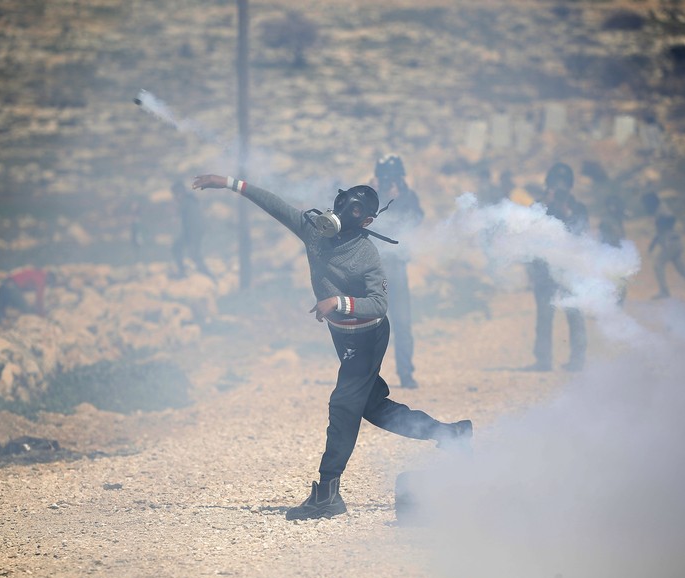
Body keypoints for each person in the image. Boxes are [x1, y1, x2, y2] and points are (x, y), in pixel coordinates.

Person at [191, 173, 473, 521]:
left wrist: (339, 302)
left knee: (343, 403)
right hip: (343, 337)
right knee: (372, 406)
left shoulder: (366, 255)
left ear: (366, 220)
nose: (342, 210)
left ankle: (327, 495)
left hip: (367, 337)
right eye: (342, 201)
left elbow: (379, 304)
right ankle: (451, 434)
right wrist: (231, 183)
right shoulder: (313, 230)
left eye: (353, 209)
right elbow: (276, 206)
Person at [524, 163, 588, 372]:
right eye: (554, 185)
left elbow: (580, 234)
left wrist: (566, 212)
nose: (558, 189)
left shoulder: (578, 209)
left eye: (562, 185)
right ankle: (543, 361)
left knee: (575, 316)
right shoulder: (539, 207)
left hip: (569, 270)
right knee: (544, 318)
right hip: (545, 272)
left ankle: (578, 361)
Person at [371, 154, 423, 388]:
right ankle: (368, 375)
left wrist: (400, 200)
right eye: (385, 178)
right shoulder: (370, 197)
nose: (389, 182)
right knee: (371, 324)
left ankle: (405, 372)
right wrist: (379, 198)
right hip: (374, 268)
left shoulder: (408, 197)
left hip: (397, 266)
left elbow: (416, 219)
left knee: (402, 323)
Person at [642, 191, 685, 303]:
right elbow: (659, 231)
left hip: (671, 242)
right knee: (683, 270)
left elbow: (670, 219)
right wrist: (654, 243)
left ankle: (664, 291)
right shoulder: (659, 210)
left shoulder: (661, 209)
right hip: (675, 242)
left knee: (658, 264)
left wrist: (663, 230)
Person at [171, 178, 215, 280]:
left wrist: (192, 239)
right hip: (190, 232)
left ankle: (209, 276)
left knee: (194, 255)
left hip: (193, 233)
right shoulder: (188, 201)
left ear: (181, 192)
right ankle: (184, 272)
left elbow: (195, 223)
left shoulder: (187, 202)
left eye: (176, 194)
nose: (175, 197)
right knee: (177, 249)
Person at [599, 193, 628, 305]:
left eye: (614, 205)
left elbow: (621, 236)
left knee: (620, 281)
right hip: (609, 252)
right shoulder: (607, 219)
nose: (613, 208)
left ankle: (618, 305)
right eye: (611, 205)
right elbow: (604, 237)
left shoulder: (617, 218)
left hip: (617, 253)